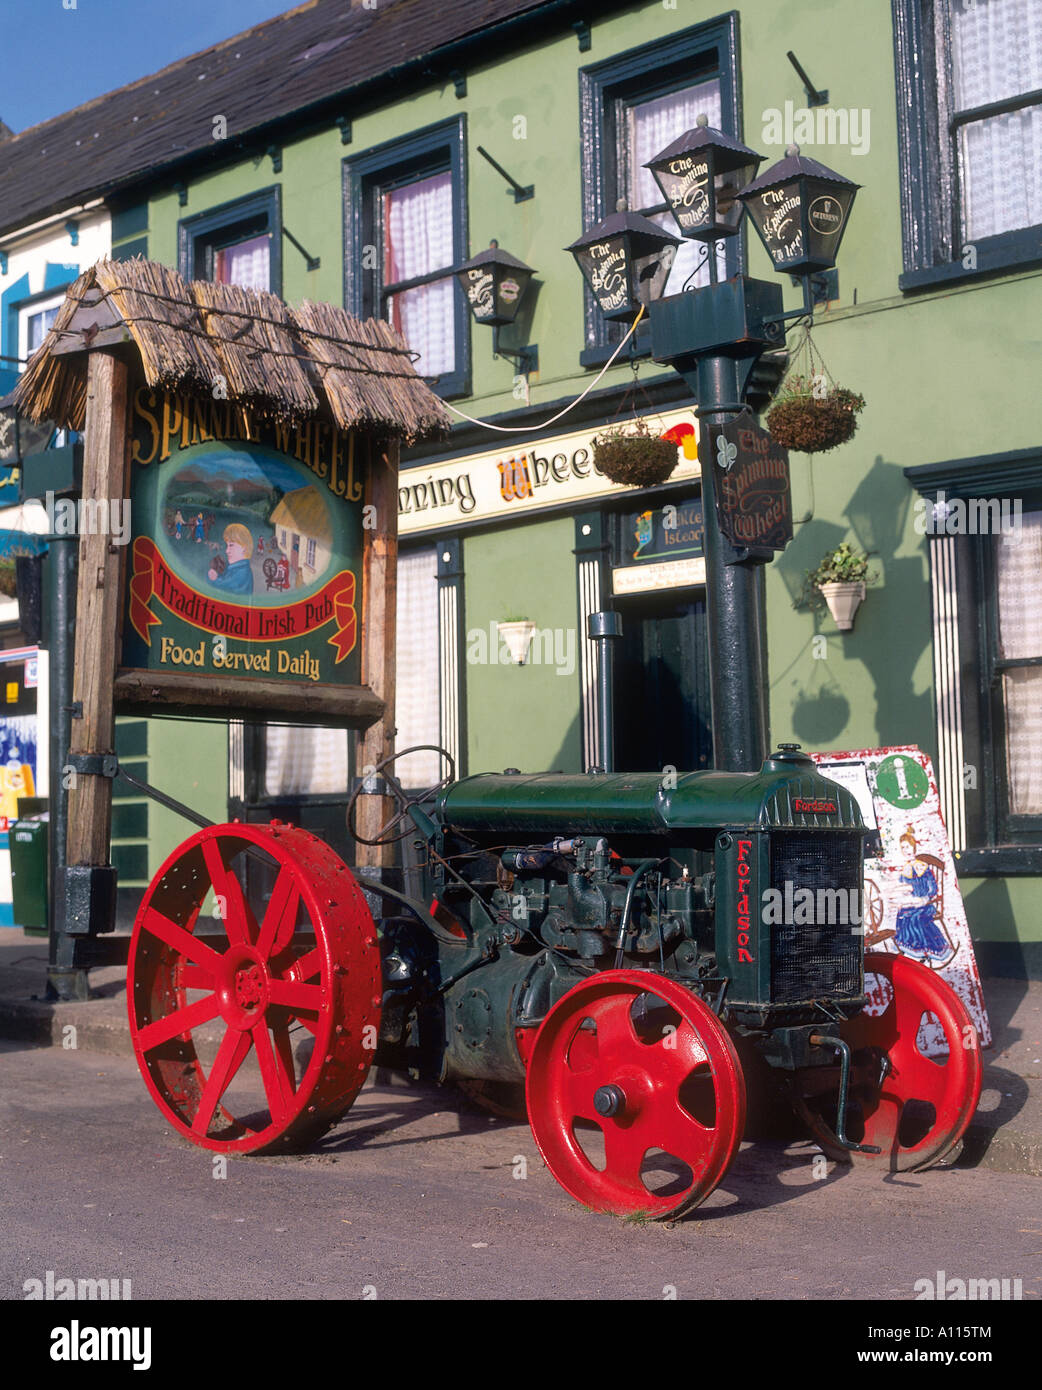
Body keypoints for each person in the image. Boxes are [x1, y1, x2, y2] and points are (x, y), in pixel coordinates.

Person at [892, 828, 947, 959]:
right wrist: (903, 898)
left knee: (915, 916)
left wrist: (924, 899)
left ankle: (925, 948)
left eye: (908, 847)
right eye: (903, 848)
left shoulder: (923, 867)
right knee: (902, 914)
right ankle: (910, 946)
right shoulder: (906, 869)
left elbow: (933, 888)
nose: (905, 850)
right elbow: (904, 888)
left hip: (926, 904)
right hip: (913, 903)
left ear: (913, 847)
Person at [207, 523, 254, 595]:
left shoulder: (242, 572)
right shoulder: (237, 569)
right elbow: (226, 580)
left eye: (231, 545)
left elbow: (225, 586)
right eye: (227, 545)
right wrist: (217, 576)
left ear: (244, 548)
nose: (227, 551)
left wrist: (213, 579)